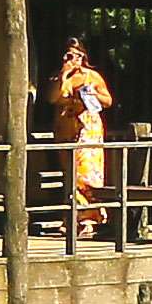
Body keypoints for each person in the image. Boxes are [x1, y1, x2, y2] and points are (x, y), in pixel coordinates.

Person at [49, 30, 114, 242]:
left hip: (87, 128)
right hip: (65, 128)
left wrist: (93, 94)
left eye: (75, 55)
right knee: (70, 174)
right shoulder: (61, 77)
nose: (71, 59)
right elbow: (53, 98)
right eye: (67, 55)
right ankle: (72, 218)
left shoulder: (91, 76)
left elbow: (108, 100)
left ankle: (87, 218)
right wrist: (64, 74)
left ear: (82, 56)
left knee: (84, 174)